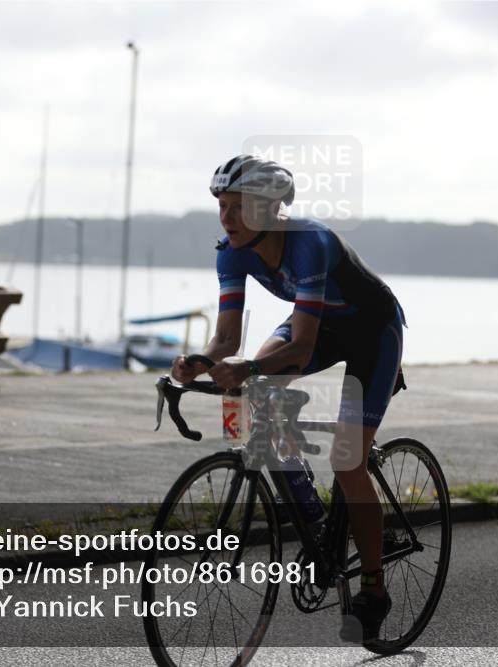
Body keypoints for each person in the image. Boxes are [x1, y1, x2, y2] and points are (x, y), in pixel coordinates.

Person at [171, 154, 406, 642]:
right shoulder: (231, 252)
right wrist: (197, 362)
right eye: (222, 205)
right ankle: (315, 518)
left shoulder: (309, 244)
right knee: (257, 388)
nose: (227, 218)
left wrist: (249, 368)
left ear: (272, 210)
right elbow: (226, 341)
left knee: (347, 461)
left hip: (371, 333)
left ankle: (374, 588)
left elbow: (299, 347)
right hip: (318, 327)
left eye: (238, 207)